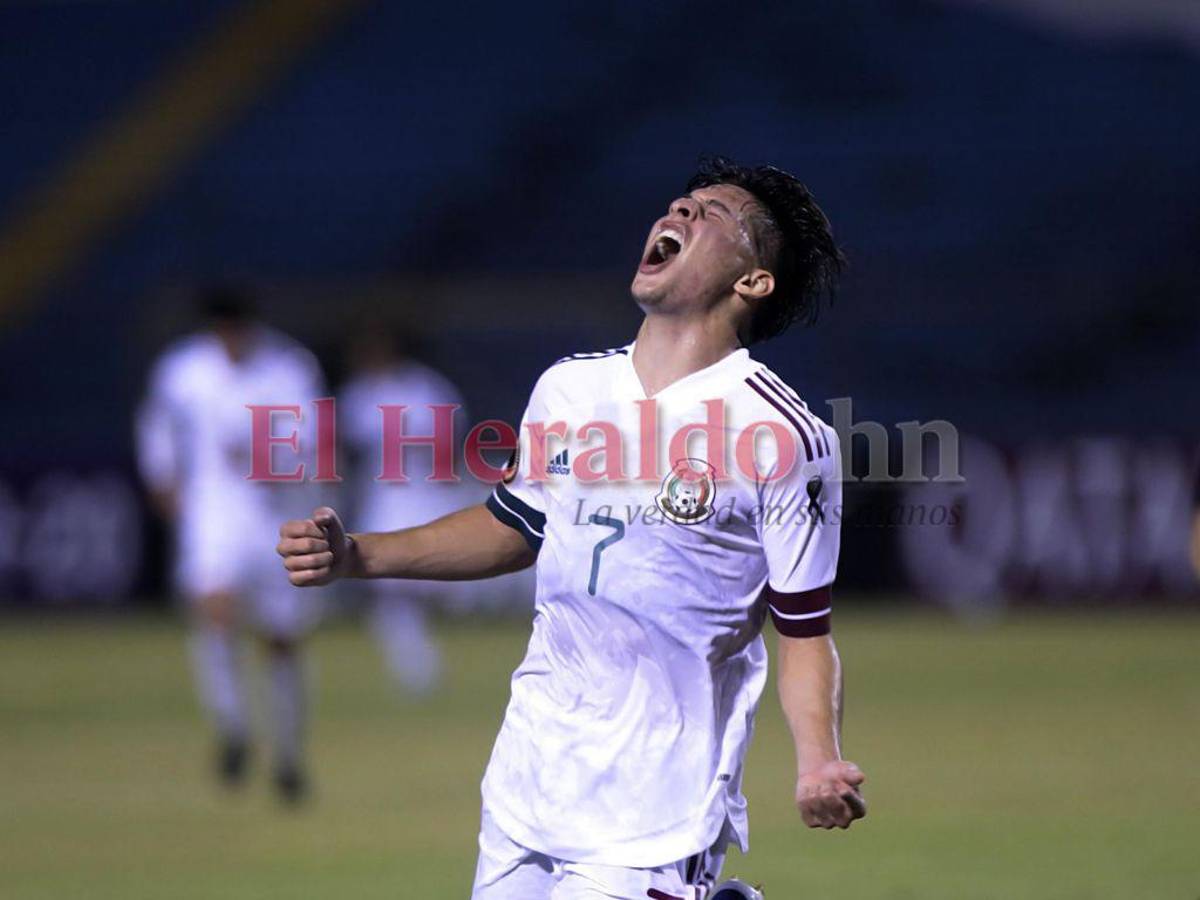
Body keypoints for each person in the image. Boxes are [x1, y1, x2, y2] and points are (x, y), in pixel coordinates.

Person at [277, 156, 867, 895]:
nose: (680, 212)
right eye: (680, 203)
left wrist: (817, 760)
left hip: (657, 804)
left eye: (712, 214)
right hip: (532, 774)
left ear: (753, 282)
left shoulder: (783, 435)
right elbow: (514, 526)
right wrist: (356, 557)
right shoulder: (569, 388)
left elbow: (805, 630)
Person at [137, 286, 326, 804]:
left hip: (275, 514)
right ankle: (233, 726)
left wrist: (271, 455)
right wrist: (164, 481)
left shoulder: (288, 368)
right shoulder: (184, 370)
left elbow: (312, 439)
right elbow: (158, 428)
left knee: (280, 638)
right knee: (214, 610)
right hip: (213, 512)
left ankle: (287, 755)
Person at [339, 324, 471, 693]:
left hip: (421, 493)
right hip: (383, 497)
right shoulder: (361, 394)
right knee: (389, 587)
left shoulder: (425, 388)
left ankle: (422, 664)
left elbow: (450, 444)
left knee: (418, 584)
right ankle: (416, 666)